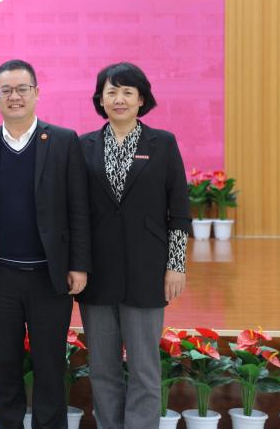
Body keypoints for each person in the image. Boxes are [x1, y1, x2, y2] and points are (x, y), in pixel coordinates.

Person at [0, 59, 89, 429]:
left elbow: (79, 207)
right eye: (6, 90)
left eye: (22, 89)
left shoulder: (63, 141)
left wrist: (79, 264)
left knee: (50, 368)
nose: (14, 96)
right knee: (4, 368)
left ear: (36, 93)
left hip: (49, 278)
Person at [76, 62, 191, 429]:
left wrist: (176, 265)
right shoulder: (83, 146)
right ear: (100, 99)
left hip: (147, 271)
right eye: (111, 92)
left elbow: (179, 211)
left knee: (144, 367)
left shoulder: (163, 143)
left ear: (142, 99)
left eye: (128, 91)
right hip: (97, 273)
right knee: (102, 368)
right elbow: (76, 213)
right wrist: (76, 264)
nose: (119, 99)